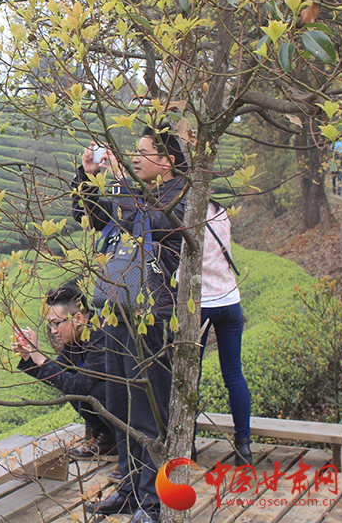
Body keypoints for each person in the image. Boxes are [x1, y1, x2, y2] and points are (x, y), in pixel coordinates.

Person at [73, 126, 188, 523]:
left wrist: (120, 181)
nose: (136, 157)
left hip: (148, 316)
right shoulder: (138, 195)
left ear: (168, 160)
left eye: (143, 151)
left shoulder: (181, 195)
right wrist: (88, 176)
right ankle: (129, 486)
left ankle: (153, 501)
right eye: (133, 152)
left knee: (145, 412)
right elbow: (92, 217)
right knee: (119, 407)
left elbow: (151, 222)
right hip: (115, 313)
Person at [12, 284, 118, 460]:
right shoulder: (76, 339)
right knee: (68, 383)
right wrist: (29, 357)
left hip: (135, 411)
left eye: (56, 323)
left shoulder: (101, 337)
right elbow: (59, 374)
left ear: (78, 317)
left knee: (96, 391)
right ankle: (107, 438)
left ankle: (123, 447)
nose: (53, 331)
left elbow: (79, 385)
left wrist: (40, 358)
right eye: (50, 324)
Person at [198, 200, 252, 465]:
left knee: (189, 376)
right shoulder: (219, 210)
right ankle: (244, 446)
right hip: (230, 300)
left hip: (200, 303)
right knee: (233, 374)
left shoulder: (184, 210)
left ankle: (187, 445)